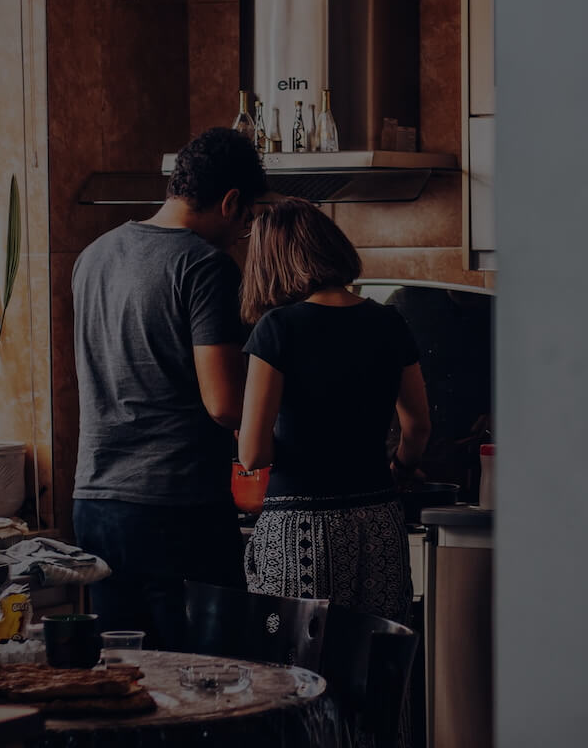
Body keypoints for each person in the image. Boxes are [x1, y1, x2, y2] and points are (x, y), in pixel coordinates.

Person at [71, 127, 266, 647]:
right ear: (230, 201)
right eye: (246, 220)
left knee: (126, 679)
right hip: (175, 508)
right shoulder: (205, 266)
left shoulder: (93, 256)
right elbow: (225, 405)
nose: (242, 233)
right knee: (207, 682)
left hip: (95, 501)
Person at [237, 198, 432, 624]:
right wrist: (399, 471)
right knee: (375, 665)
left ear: (271, 262)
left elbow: (253, 455)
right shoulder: (389, 321)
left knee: (297, 675)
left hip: (300, 529)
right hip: (379, 520)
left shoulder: (278, 328)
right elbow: (417, 426)